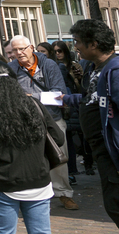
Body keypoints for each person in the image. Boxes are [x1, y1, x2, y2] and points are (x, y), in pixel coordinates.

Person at [0, 61, 62, 234]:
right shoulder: (32, 103)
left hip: (2, 179)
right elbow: (58, 138)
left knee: (3, 232)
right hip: (38, 178)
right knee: (41, 231)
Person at [8, 34, 75, 210]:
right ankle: (33, 196)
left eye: (22, 48)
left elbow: (59, 94)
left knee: (59, 157)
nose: (19, 53)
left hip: (52, 119)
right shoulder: (11, 68)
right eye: (15, 50)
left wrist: (31, 97)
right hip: (25, 121)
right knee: (29, 159)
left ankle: (64, 194)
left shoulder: (49, 65)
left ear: (31, 47)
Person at [62, 20, 119, 226]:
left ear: (93, 44)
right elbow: (93, 98)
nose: (75, 46)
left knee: (115, 203)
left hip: (112, 149)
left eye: (77, 41)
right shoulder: (95, 68)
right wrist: (66, 99)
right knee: (113, 202)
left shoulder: (115, 71)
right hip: (102, 149)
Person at [53, 40, 92, 179]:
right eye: (55, 51)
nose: (58, 54)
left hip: (73, 103)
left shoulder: (74, 66)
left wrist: (78, 77)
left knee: (80, 136)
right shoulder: (53, 66)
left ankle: (86, 164)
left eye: (60, 51)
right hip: (69, 102)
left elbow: (82, 87)